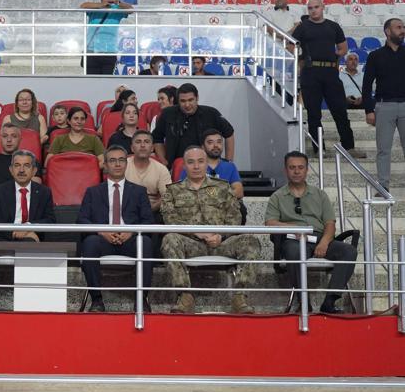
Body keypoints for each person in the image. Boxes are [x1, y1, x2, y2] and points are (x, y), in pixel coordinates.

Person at [161, 146, 260, 314]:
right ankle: (184, 297)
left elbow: (235, 217)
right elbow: (170, 219)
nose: (196, 166)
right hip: (191, 243)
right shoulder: (173, 191)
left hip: (221, 243)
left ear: (207, 163)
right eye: (191, 162)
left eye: (200, 161)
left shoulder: (223, 187)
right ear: (184, 165)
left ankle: (240, 297)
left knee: (251, 241)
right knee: (169, 239)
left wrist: (221, 235)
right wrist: (196, 232)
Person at [265, 151, 356, 313]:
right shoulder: (277, 196)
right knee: (295, 251)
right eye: (292, 168)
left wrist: (324, 242)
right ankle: (303, 301)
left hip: (319, 237)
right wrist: (293, 228)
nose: (296, 171)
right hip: (293, 239)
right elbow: (270, 223)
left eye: (301, 167)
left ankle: (330, 301)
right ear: (285, 170)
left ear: (307, 170)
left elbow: (330, 224)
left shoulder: (319, 195)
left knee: (349, 251)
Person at [0, 150, 55, 309]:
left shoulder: (44, 192)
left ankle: (28, 303)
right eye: (17, 165)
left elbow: (50, 220)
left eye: (26, 166)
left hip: (28, 238)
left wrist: (28, 227)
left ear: (34, 170)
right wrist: (16, 232)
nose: (21, 170)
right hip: (1, 236)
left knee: (30, 244)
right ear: (11, 170)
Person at [77, 145, 155, 312]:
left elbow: (148, 220)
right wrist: (102, 231)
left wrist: (131, 231)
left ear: (126, 164)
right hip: (102, 240)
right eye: (112, 160)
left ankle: (141, 300)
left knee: (145, 243)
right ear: (105, 165)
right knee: (90, 242)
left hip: (131, 240)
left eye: (121, 160)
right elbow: (82, 220)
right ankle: (96, 301)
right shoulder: (93, 192)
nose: (117, 164)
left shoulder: (139, 191)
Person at [291, 0, 364, 158]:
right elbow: (291, 46)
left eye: (316, 7)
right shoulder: (302, 27)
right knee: (314, 114)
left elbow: (343, 48)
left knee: (340, 111)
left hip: (331, 72)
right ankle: (319, 149)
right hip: (310, 72)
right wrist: (303, 58)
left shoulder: (333, 26)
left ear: (323, 7)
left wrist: (332, 57)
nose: (313, 10)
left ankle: (349, 147)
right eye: (310, 8)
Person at [362, 17, 405, 192]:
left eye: (403, 27)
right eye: (398, 27)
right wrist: (368, 110)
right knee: (383, 149)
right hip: (384, 106)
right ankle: (383, 186)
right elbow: (366, 85)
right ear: (388, 31)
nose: (402, 30)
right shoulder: (375, 56)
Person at [152, 83, 235, 167]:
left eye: (190, 100)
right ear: (178, 100)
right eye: (183, 101)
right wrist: (163, 161)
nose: (187, 105)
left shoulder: (211, 113)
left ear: (197, 98)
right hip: (176, 166)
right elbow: (157, 138)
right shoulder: (167, 114)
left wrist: (228, 163)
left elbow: (229, 134)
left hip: (207, 166)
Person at [0, 123, 41, 223]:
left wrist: (18, 205)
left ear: (20, 139)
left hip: (23, 205)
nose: (9, 140)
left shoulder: (31, 161)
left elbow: (36, 186)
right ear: (0, 139)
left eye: (13, 136)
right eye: (5, 136)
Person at [125, 130, 171, 257]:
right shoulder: (123, 165)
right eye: (138, 142)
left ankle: (153, 259)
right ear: (132, 148)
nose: (142, 145)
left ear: (152, 148)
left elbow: (167, 196)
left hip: (152, 210)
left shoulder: (161, 169)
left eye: (146, 142)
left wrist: (149, 209)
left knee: (158, 219)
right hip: (125, 209)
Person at [80, 0, 132, 75]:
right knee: (91, 80)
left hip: (109, 51)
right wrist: (101, 5)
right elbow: (83, 6)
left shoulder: (117, 9)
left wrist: (118, 2)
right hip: (92, 50)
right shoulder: (94, 8)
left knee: (107, 80)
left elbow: (131, 9)